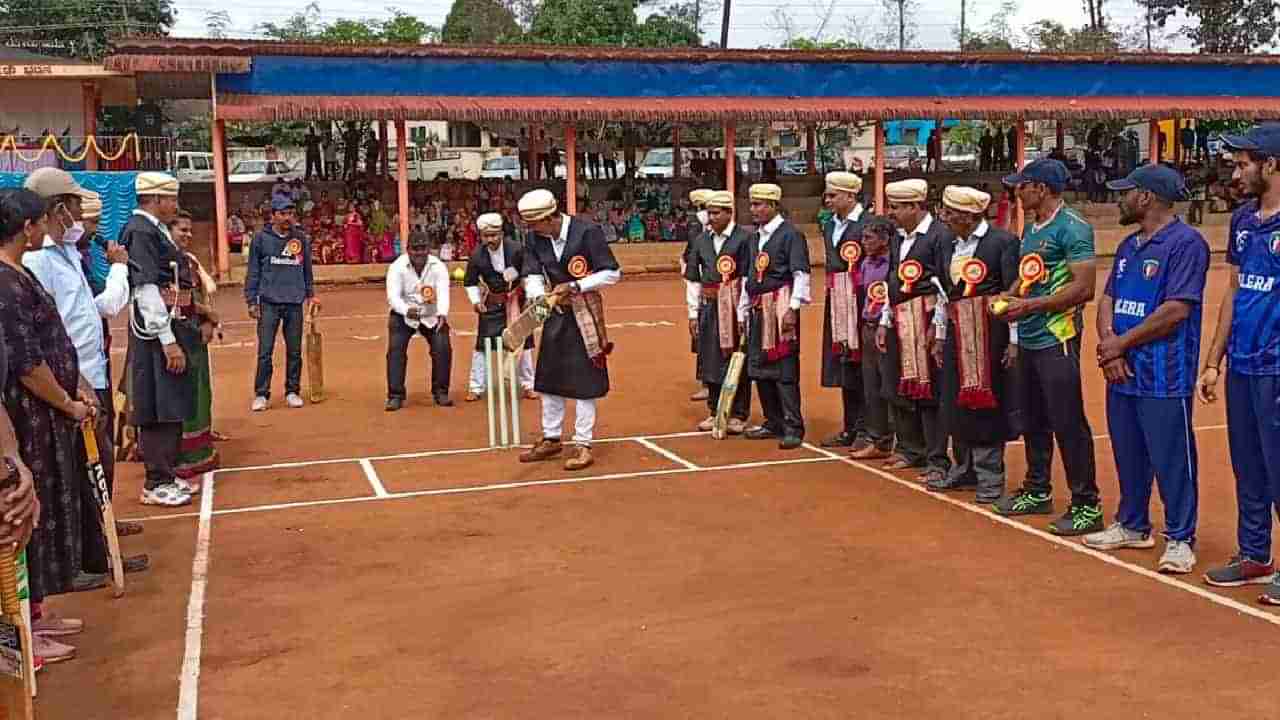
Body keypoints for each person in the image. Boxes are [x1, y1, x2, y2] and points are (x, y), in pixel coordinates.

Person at [0, 188, 106, 664]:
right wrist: (66, 402)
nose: (46, 228)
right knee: (29, 516)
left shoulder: (21, 272)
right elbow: (26, 362)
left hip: (53, 413)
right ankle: (23, 620)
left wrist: (78, 383)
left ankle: (37, 612)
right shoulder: (4, 282)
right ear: (26, 227)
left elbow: (55, 339)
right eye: (41, 221)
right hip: (30, 419)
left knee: (48, 510)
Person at [1084, 165, 1207, 574]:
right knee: (1128, 450)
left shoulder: (1186, 244)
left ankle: (1180, 537)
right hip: (1122, 370)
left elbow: (1176, 310)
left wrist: (1121, 342)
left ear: (1147, 197)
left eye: (1127, 191)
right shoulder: (1128, 245)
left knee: (1172, 456)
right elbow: (1108, 300)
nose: (1120, 198)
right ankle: (1133, 524)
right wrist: (1111, 349)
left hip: (1164, 371)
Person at [994, 158, 1104, 536]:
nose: (1016, 191)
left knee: (1067, 420)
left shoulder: (1073, 229)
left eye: (1021, 186)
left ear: (1040, 189)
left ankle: (1086, 503)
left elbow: (1083, 288)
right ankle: (1037, 488)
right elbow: (1031, 278)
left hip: (1058, 337)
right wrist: (1009, 298)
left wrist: (1030, 307)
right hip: (1029, 335)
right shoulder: (1032, 229)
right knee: (1033, 417)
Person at [1197, 124, 1280, 599]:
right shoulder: (1244, 221)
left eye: (1243, 162)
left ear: (1270, 164)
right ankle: (1254, 554)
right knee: (1248, 466)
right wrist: (1214, 360)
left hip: (1276, 365)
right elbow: (1233, 292)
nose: (1235, 170)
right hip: (1244, 365)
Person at [516, 189, 621, 471]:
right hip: (555, 312)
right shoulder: (535, 238)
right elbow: (533, 273)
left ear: (551, 217)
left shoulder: (587, 233)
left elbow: (612, 272)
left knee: (584, 379)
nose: (533, 230)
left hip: (585, 311)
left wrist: (576, 286)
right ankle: (551, 438)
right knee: (549, 374)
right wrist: (540, 297)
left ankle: (583, 443)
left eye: (536, 224)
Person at [930, 185, 1020, 503]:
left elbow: (1013, 293)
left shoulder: (1002, 243)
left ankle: (990, 476)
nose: (945, 217)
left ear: (969, 216)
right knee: (956, 399)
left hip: (989, 333)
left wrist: (1012, 340)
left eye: (951, 213)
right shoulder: (947, 243)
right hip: (958, 331)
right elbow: (945, 294)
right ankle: (964, 467)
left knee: (986, 402)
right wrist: (940, 336)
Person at [121, 173, 200, 507]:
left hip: (170, 325)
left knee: (172, 402)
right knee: (158, 405)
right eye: (172, 199)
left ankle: (167, 472)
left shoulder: (153, 230)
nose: (175, 206)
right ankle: (156, 480)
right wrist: (167, 340)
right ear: (156, 198)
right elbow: (147, 289)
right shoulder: (141, 232)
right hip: (156, 334)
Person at [875, 179, 952, 483]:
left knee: (929, 389)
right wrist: (885, 321)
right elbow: (891, 280)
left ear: (915, 207)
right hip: (899, 317)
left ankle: (936, 457)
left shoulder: (938, 236)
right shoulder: (897, 238)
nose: (890, 213)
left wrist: (938, 325)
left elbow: (945, 284)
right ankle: (910, 448)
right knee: (900, 383)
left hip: (925, 319)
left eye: (895, 207)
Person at [737, 183, 811, 449]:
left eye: (758, 205)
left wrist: (793, 308)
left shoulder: (791, 235)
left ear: (772, 205)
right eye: (752, 204)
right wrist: (743, 309)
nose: (753, 210)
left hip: (780, 305)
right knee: (759, 366)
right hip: (758, 306)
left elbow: (800, 273)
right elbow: (748, 275)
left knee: (784, 368)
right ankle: (773, 420)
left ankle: (793, 424)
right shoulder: (754, 238)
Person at [685, 190, 752, 434]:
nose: (710, 217)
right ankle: (715, 411)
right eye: (708, 212)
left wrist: (743, 312)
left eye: (715, 213)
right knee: (710, 357)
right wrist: (693, 312)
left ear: (728, 213)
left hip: (735, 306)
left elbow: (746, 276)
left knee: (737, 358)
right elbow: (693, 279)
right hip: (709, 306)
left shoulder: (744, 239)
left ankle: (738, 414)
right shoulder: (701, 241)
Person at [246, 197, 316, 412]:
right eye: (283, 214)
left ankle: (292, 391)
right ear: (273, 215)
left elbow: (307, 270)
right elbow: (253, 271)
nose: (288, 218)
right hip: (268, 303)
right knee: (265, 351)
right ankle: (261, 394)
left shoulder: (301, 239)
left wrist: (310, 295)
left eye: (291, 214)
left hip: (294, 302)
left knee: (294, 350)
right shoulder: (260, 239)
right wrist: (251, 299)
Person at [819, 171, 871, 450]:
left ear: (851, 196)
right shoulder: (829, 225)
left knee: (863, 364)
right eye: (827, 195)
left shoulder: (868, 224)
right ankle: (850, 426)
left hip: (862, 298)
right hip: (837, 298)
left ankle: (867, 428)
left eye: (833, 195)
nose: (828, 200)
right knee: (843, 362)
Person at [169, 211, 222, 479]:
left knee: (201, 388)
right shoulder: (165, 261)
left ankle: (202, 441)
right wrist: (206, 314)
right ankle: (186, 454)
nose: (188, 235)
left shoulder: (188, 260)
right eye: (182, 230)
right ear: (168, 231)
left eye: (190, 230)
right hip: (177, 336)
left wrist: (209, 322)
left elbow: (201, 295)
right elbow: (173, 299)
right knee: (185, 393)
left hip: (196, 333)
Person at [463, 214, 535, 403]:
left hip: (517, 302)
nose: (490, 240)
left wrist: (529, 295)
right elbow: (470, 283)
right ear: (481, 236)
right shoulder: (476, 255)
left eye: (494, 235)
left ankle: (529, 385)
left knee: (524, 343)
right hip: (492, 305)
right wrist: (476, 301)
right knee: (482, 346)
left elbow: (528, 273)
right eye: (486, 236)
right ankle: (476, 386)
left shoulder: (517, 249)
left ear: (501, 233)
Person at [385, 231, 453, 411]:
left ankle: (441, 392)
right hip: (404, 313)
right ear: (408, 250)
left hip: (431, 313)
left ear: (428, 249)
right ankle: (395, 395)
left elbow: (444, 292)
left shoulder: (438, 266)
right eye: (415, 249)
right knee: (395, 349)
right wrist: (408, 311)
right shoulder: (397, 267)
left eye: (423, 249)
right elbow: (393, 298)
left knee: (442, 346)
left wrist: (442, 314)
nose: (419, 253)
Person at [853, 218, 897, 460]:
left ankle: (896, 438)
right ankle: (878, 438)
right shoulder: (865, 263)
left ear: (884, 239)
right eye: (863, 237)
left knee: (888, 384)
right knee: (871, 385)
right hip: (867, 327)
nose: (863, 242)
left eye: (869, 238)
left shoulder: (894, 264)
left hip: (887, 327)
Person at [686, 189, 714, 403]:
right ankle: (706, 381)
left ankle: (711, 381)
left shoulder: (699, 224)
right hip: (701, 284)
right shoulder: (697, 226)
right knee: (702, 336)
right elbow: (689, 257)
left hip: (714, 286)